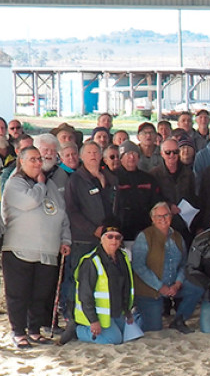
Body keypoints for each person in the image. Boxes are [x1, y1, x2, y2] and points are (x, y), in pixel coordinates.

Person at [1, 147, 72, 348]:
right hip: (19, 250)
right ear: (21, 161)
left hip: (47, 251)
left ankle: (34, 330)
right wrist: (41, 185)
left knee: (40, 294)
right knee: (19, 294)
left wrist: (65, 239)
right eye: (32, 159)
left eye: (39, 159)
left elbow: (62, 214)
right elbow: (31, 201)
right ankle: (18, 332)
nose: (37, 163)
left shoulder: (49, 185)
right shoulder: (15, 184)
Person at [62, 141, 117, 341]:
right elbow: (72, 211)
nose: (93, 155)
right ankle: (72, 322)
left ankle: (100, 320)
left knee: (102, 282)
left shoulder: (109, 178)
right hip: (84, 240)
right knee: (79, 281)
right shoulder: (76, 180)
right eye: (89, 152)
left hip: (107, 240)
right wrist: (93, 230)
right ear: (82, 157)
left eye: (97, 152)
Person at [72, 217, 136, 345]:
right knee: (114, 339)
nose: (114, 240)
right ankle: (79, 330)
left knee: (131, 335)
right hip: (97, 315)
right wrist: (93, 321)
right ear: (102, 239)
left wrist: (127, 311)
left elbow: (126, 286)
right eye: (110, 236)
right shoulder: (91, 261)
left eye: (117, 237)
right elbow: (85, 295)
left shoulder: (123, 257)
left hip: (117, 311)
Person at [131, 202, 192, 332]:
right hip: (151, 290)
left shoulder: (178, 237)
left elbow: (183, 263)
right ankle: (135, 314)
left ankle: (179, 320)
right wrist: (160, 286)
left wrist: (178, 283)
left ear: (171, 216)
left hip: (173, 287)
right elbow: (138, 266)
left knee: (196, 289)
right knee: (153, 328)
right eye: (159, 216)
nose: (163, 219)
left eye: (166, 215)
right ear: (152, 219)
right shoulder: (145, 237)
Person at [115, 141, 163, 243]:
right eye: (128, 154)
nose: (131, 157)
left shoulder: (148, 178)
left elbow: (157, 202)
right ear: (121, 158)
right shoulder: (113, 178)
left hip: (145, 230)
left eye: (134, 154)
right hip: (121, 232)